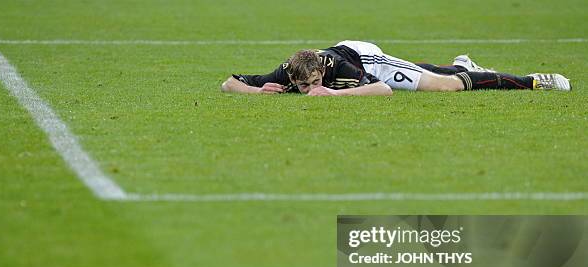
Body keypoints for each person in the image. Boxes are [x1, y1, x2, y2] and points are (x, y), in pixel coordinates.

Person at [221, 40, 571, 96]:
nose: (310, 89)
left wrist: (331, 95)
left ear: (323, 73)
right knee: (437, 74)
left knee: (444, 87)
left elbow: (383, 89)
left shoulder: (341, 70)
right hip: (353, 59)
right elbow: (228, 83)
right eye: (304, 86)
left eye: (315, 82)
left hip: (365, 55)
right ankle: (460, 65)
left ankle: (534, 81)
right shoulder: (287, 71)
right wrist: (256, 91)